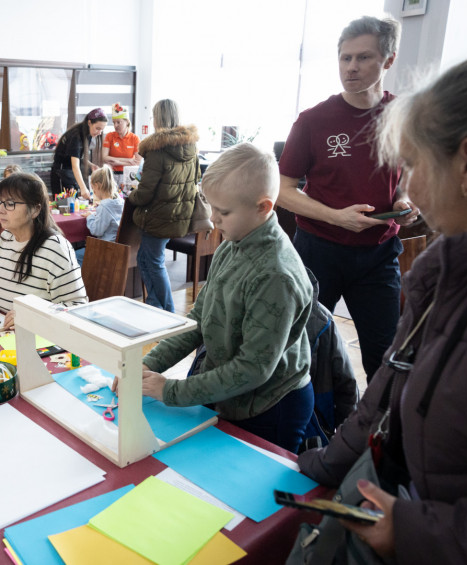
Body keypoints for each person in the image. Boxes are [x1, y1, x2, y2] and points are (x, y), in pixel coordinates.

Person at [296, 53, 467, 563]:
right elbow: (387, 387)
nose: (409, 190)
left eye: (416, 167)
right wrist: (321, 464)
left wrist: (416, 529)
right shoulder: (443, 269)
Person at [117, 143, 314, 453]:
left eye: (223, 212)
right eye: (211, 206)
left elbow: (252, 369)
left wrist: (170, 390)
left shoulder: (276, 275)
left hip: (269, 407)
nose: (213, 218)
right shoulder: (233, 243)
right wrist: (148, 365)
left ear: (263, 207)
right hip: (228, 391)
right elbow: (198, 319)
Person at [277, 16, 419, 381]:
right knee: (303, 349)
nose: (351, 67)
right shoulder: (313, 120)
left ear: (388, 60)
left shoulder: (402, 117)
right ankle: (312, 417)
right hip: (318, 251)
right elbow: (282, 189)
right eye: (345, 58)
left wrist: (404, 202)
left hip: (379, 254)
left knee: (384, 356)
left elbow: (406, 175)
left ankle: (375, 419)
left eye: (363, 57)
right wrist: (337, 217)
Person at [0, 173, 87, 330]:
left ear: (35, 210)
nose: (1, 210)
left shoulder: (55, 248)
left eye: (10, 204)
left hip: (31, 336)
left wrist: (31, 316)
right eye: (0, 202)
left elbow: (77, 306)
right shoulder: (6, 238)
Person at [126, 99, 198, 313]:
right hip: (180, 214)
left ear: (158, 118)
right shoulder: (190, 146)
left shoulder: (157, 150)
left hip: (157, 216)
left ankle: (166, 312)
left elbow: (145, 192)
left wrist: (131, 195)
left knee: (154, 262)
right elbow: (195, 178)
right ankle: (156, 306)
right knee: (145, 258)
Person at [50, 108, 108, 199]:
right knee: (64, 204)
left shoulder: (87, 134)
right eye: (97, 128)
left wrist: (91, 165)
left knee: (74, 203)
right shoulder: (76, 136)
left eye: (102, 130)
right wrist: (83, 188)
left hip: (70, 173)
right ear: (89, 123)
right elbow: (75, 166)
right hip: (61, 173)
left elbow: (77, 156)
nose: (99, 133)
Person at [75, 165, 123, 265]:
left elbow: (96, 231)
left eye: (93, 188)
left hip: (106, 248)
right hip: (119, 246)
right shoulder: (120, 201)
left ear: (97, 186)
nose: (94, 192)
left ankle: (87, 275)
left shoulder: (104, 206)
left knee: (74, 256)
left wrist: (90, 216)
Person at [102, 103, 141, 185]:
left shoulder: (134, 138)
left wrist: (117, 162)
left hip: (129, 174)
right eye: (114, 122)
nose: (115, 125)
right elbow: (104, 157)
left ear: (127, 122)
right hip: (111, 174)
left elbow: (138, 162)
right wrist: (128, 160)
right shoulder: (109, 136)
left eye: (118, 122)